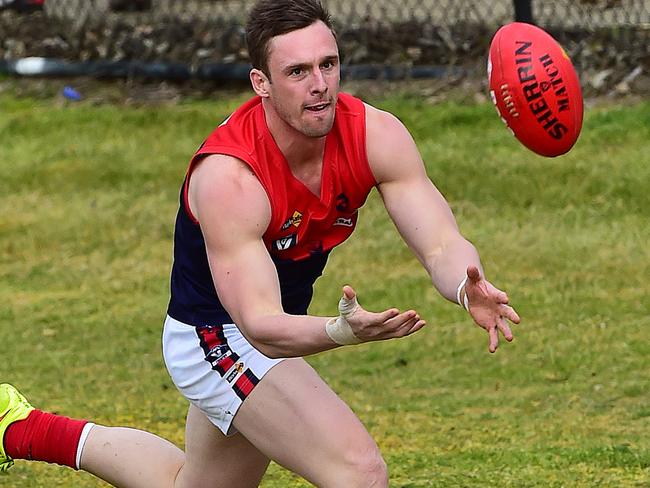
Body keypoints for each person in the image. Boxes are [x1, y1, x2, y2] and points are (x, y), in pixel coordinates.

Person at [0, 0, 520, 486]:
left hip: (271, 331)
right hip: (215, 337)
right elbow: (260, 327)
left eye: (328, 64)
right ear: (261, 83)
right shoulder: (231, 177)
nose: (320, 85)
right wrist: (339, 332)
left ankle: (20, 428)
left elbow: (439, 243)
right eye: (297, 72)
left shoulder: (374, 135)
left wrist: (463, 288)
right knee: (359, 472)